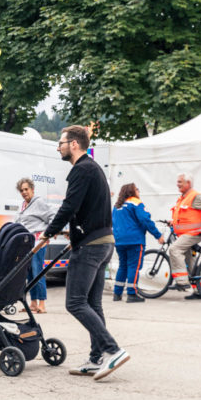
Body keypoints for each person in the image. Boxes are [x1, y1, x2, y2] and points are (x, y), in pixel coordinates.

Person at [43, 126, 130, 380]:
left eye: (60, 143)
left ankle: (112, 349)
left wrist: (49, 233)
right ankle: (96, 358)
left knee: (75, 302)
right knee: (92, 303)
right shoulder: (94, 169)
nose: (58, 147)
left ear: (73, 144)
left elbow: (70, 206)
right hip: (103, 242)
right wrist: (75, 235)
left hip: (91, 246)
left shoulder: (80, 169)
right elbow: (89, 209)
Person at [112, 183, 164, 302]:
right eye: (137, 189)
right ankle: (131, 294)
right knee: (133, 267)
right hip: (134, 240)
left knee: (123, 266)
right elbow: (145, 219)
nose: (138, 191)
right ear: (132, 192)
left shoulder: (116, 206)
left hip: (120, 241)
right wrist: (158, 235)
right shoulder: (136, 202)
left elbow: (113, 223)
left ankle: (117, 293)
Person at [169, 172, 201, 299]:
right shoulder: (183, 198)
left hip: (193, 234)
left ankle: (182, 282)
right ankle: (198, 291)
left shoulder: (195, 196)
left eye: (180, 182)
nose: (177, 184)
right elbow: (186, 216)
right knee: (190, 261)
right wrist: (172, 222)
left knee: (174, 249)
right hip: (185, 234)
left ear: (188, 183)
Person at [15, 177, 55, 313]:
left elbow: (52, 216)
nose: (24, 192)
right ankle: (33, 303)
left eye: (26, 189)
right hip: (27, 244)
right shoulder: (24, 205)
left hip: (38, 243)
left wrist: (48, 233)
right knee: (30, 274)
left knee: (38, 272)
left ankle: (42, 304)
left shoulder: (38, 202)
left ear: (32, 189)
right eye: (21, 190)